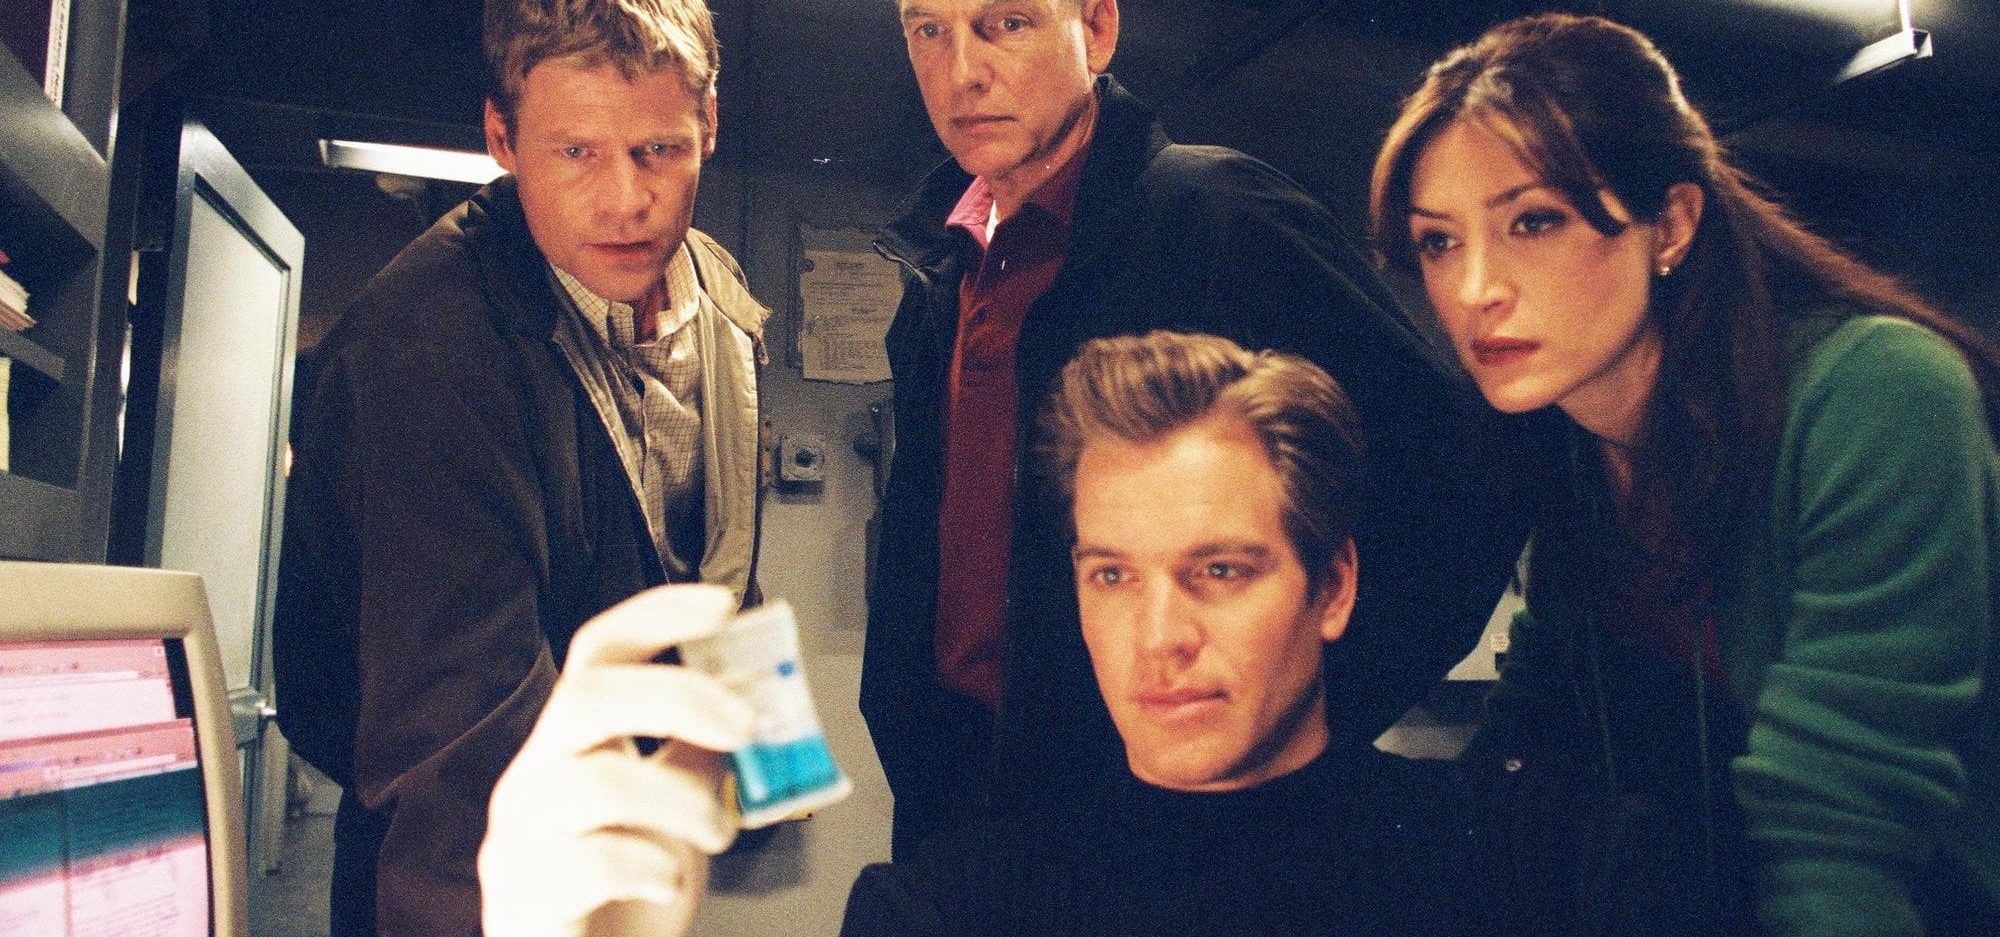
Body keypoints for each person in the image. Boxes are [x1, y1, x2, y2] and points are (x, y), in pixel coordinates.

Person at [864, 0, 1534, 860]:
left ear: (1096, 27)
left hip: (1178, 822)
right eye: (928, 30)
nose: (963, 71)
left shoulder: (1218, 221)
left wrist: (1288, 733)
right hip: (958, 806)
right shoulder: (940, 273)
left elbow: (1462, 480)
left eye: (1005, 21)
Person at [479, 331, 1525, 936]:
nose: (1158, 634)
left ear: (1331, 586)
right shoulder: (946, 913)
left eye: (1218, 571)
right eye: (1112, 575)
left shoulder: (1521, 869)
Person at [1370, 12, 2000, 935]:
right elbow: (1535, 739)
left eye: (1533, 221)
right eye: (1439, 242)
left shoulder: (1876, 391)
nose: (1474, 290)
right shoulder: (1574, 443)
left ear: (1670, 223)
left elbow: (1836, 835)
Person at [273, 0, 769, 936]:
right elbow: (458, 766)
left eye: (659, 149)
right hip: (459, 872)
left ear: (709, 125)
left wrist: (763, 771)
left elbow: (721, 572)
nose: (628, 199)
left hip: (639, 843)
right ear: (500, 140)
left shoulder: (718, 292)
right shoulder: (423, 352)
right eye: (576, 152)